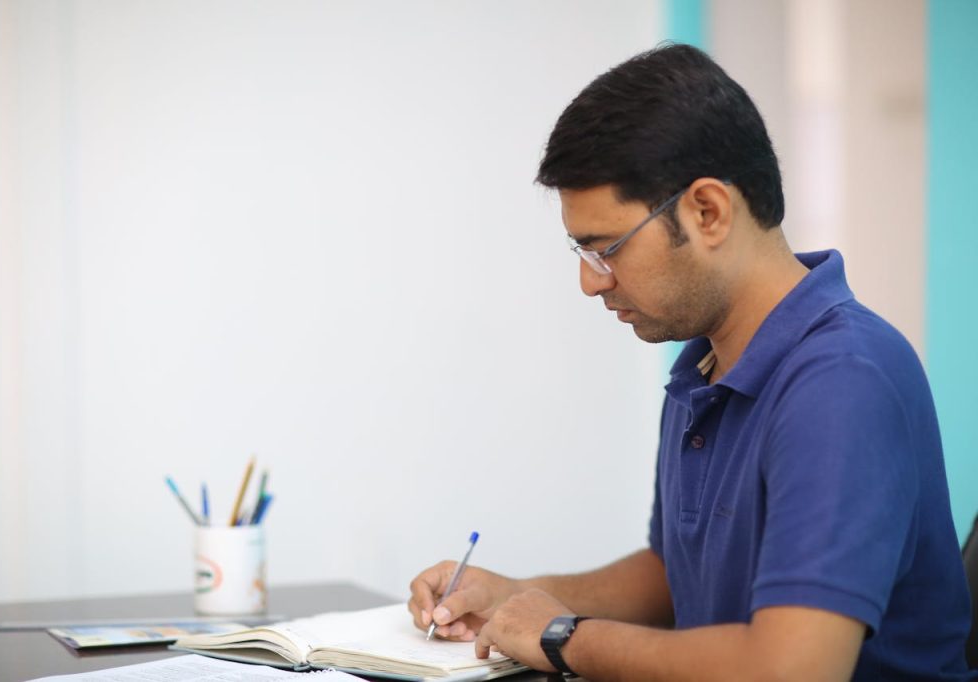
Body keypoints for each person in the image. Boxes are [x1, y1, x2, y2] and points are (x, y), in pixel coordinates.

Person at [407, 44, 975, 681]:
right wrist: (513, 595)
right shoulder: (702, 365)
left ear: (707, 211)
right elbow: (676, 577)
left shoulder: (843, 380)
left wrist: (567, 636)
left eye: (605, 249)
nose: (590, 284)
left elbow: (792, 670)